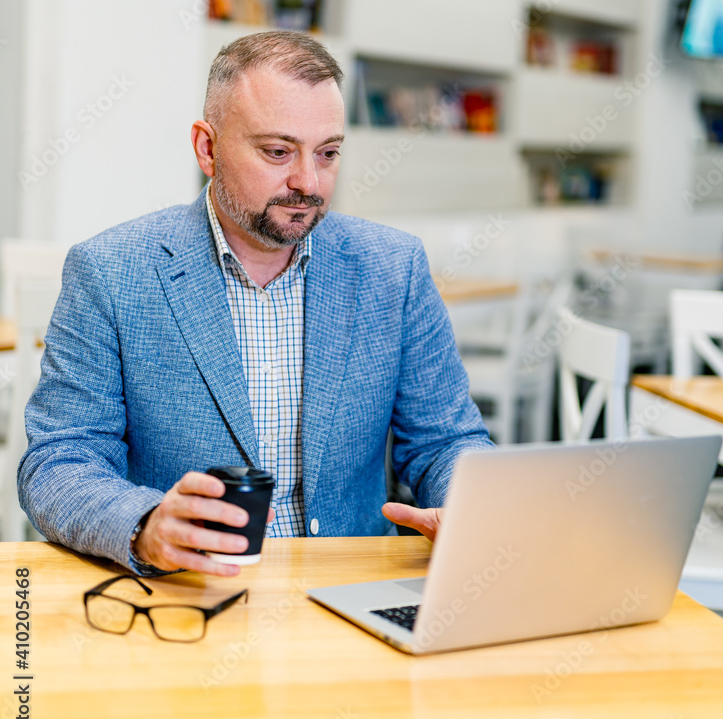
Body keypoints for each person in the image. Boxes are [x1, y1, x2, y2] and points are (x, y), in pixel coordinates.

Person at [18, 31, 493, 577]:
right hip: (189, 592)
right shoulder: (111, 271)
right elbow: (60, 461)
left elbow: (445, 439)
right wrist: (146, 527)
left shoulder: (394, 268)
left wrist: (470, 504)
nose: (307, 183)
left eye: (328, 153)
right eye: (277, 151)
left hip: (349, 586)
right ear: (207, 148)